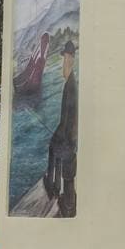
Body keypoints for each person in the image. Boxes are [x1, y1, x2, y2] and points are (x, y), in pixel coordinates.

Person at [42, 40, 78, 218]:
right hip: (67, 135)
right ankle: (56, 189)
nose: (63, 65)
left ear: (70, 59)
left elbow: (72, 119)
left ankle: (64, 200)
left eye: (65, 60)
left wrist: (63, 136)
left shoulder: (72, 85)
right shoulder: (70, 83)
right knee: (53, 147)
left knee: (58, 154)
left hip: (69, 138)